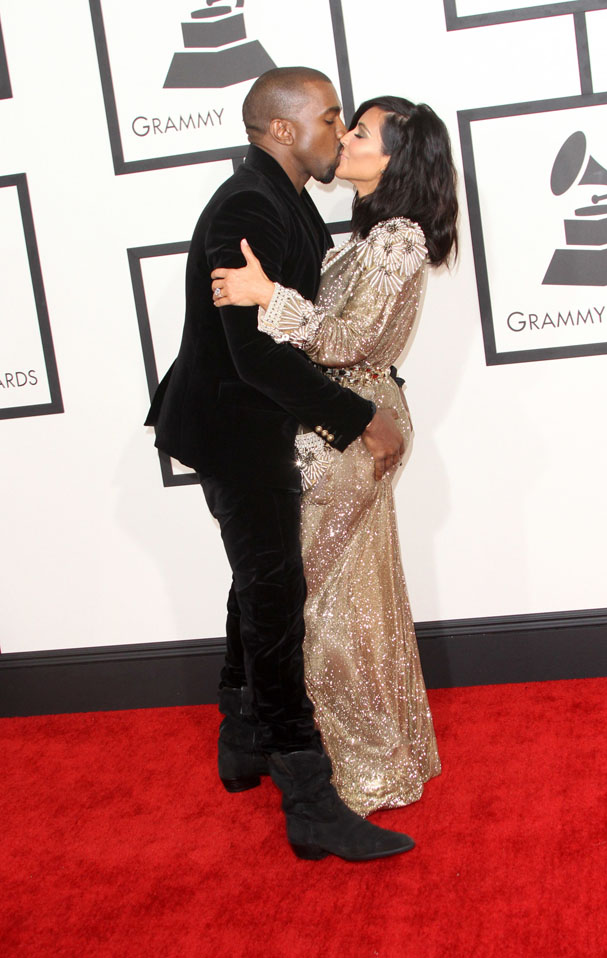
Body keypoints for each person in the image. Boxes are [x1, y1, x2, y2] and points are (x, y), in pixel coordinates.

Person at [145, 68, 415, 862]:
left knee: (257, 579)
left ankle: (240, 739)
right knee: (275, 597)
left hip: (247, 426)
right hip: (235, 432)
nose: (341, 130)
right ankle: (309, 801)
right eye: (333, 118)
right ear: (285, 130)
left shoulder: (284, 198)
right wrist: (361, 420)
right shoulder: (249, 207)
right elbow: (258, 358)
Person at [210, 95, 458, 815]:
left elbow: (349, 344)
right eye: (344, 126)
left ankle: (361, 765)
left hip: (345, 436)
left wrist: (268, 298)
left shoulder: (398, 239)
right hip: (342, 429)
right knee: (346, 596)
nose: (343, 138)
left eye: (359, 131)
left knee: (318, 605)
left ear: (395, 159)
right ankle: (373, 754)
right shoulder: (370, 234)